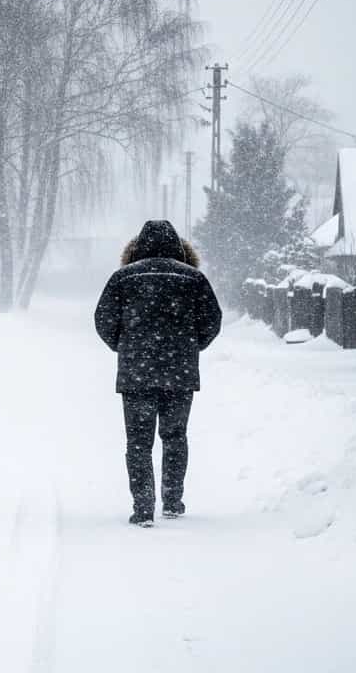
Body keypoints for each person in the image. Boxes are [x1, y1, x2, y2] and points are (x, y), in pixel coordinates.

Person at [94, 220, 222, 527]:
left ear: (136, 248)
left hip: (136, 373)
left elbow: (103, 320)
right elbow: (212, 321)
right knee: (175, 436)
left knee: (138, 441)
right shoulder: (193, 279)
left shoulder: (123, 278)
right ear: (180, 248)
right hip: (180, 372)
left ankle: (142, 508)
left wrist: (125, 347)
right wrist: (190, 347)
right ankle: (173, 501)